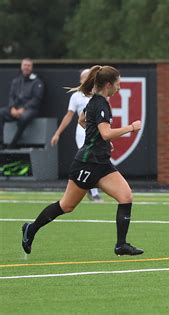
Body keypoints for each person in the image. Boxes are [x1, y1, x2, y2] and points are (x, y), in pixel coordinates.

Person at [21, 65, 144, 256]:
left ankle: (121, 245)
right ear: (109, 84)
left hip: (101, 163)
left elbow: (82, 120)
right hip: (87, 163)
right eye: (118, 84)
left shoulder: (97, 101)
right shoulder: (100, 103)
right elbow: (105, 133)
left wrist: (98, 139)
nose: (119, 87)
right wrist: (131, 127)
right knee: (66, 206)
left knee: (126, 196)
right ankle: (31, 228)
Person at [50, 68, 102, 202]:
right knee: (89, 159)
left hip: (97, 131)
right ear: (81, 80)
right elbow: (69, 116)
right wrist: (57, 133)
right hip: (82, 131)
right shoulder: (76, 96)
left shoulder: (99, 94)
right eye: (85, 76)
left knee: (97, 160)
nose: (88, 78)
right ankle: (93, 191)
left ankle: (89, 188)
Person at [0, 58, 44, 149]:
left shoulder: (37, 82)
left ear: (31, 68)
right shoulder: (16, 81)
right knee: (1, 113)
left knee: (24, 118)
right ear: (21, 66)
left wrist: (24, 108)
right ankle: (2, 142)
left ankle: (13, 143)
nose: (26, 67)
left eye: (28, 66)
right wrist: (12, 108)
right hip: (15, 109)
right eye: (25, 65)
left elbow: (37, 99)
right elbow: (11, 96)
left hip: (30, 110)